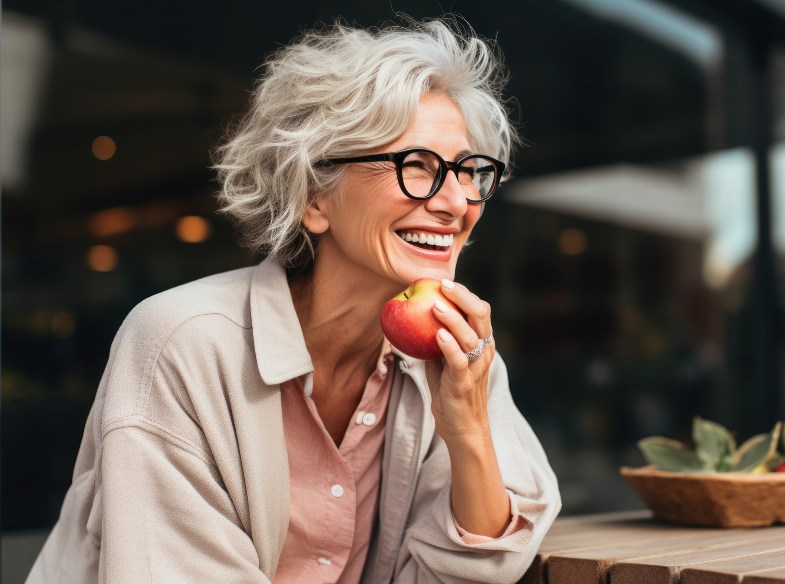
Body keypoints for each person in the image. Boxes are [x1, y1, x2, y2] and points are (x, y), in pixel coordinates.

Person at [27, 18, 561, 583]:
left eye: (470, 171)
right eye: (417, 167)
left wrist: (468, 427)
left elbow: (487, 563)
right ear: (312, 196)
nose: (457, 201)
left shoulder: (457, 356)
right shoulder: (181, 341)